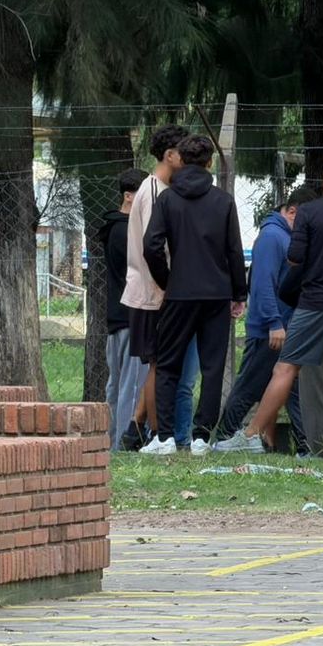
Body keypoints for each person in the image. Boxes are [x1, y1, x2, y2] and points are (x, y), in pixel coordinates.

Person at [215, 154, 323, 460]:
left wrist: (321, 259)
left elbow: (294, 258)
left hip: (316, 301)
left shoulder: (310, 212)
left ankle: (252, 435)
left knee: (285, 367)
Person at [141, 135, 247, 456]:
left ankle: (166, 437)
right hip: (216, 293)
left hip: (180, 292)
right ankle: (201, 436)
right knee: (212, 366)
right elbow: (234, 250)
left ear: (181, 160)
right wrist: (238, 292)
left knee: (168, 364)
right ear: (210, 162)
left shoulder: (167, 199)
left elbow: (151, 246)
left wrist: (167, 280)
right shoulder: (223, 201)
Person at [213, 188, 314, 454]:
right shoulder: (272, 237)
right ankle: (225, 436)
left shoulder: (281, 235)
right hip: (270, 328)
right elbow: (262, 284)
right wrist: (274, 322)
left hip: (281, 325)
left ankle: (305, 446)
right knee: (250, 384)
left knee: (289, 387)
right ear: (292, 212)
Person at [120, 124, 199, 449]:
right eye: (184, 154)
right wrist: (170, 286)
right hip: (154, 294)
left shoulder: (160, 190)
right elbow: (155, 249)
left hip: (156, 292)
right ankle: (157, 436)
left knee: (161, 365)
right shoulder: (155, 193)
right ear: (170, 155)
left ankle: (138, 429)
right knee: (160, 367)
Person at [98, 168, 149, 450]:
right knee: (131, 386)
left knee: (117, 385)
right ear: (129, 197)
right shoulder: (127, 231)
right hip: (131, 316)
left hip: (118, 316)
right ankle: (123, 443)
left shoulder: (114, 228)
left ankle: (112, 442)